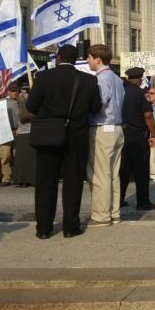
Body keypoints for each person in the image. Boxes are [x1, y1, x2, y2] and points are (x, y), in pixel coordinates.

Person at [26, 45, 102, 239]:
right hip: (76, 137)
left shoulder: (42, 78)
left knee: (45, 183)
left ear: (58, 58)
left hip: (48, 135)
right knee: (73, 183)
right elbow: (95, 108)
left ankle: (43, 228)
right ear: (77, 59)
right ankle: (70, 227)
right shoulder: (88, 80)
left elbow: (31, 106)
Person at [86, 44, 125, 228]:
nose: (88, 61)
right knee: (112, 175)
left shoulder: (101, 80)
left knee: (100, 174)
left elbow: (99, 104)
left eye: (89, 58)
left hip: (103, 127)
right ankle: (114, 212)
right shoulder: (117, 79)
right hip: (117, 127)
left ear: (97, 59)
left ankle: (101, 215)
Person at [120, 67, 155, 211]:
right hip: (137, 134)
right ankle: (142, 202)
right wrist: (153, 134)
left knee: (122, 169)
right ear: (141, 78)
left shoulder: (120, 91)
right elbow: (148, 115)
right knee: (141, 169)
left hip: (120, 132)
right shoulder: (140, 93)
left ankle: (119, 199)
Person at [13, 83, 36, 188]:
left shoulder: (17, 109)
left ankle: (22, 180)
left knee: (21, 159)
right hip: (31, 133)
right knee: (32, 158)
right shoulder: (33, 109)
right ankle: (33, 179)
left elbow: (15, 123)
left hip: (21, 135)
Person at [0, 83, 20, 187]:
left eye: (16, 91)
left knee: (17, 154)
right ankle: (6, 178)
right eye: (13, 91)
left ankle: (17, 176)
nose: (15, 92)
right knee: (5, 155)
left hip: (19, 130)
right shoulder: (2, 102)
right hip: (5, 130)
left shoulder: (22, 101)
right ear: (8, 92)